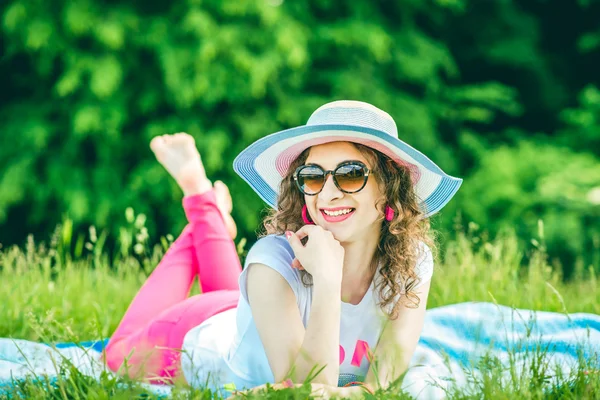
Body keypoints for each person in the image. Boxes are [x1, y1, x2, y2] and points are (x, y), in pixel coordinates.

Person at [103, 100, 462, 398]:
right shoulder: (272, 263)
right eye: (313, 176)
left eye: (351, 174)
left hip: (253, 316)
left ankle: (209, 216)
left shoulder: (412, 261)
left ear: (389, 187)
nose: (328, 193)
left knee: (240, 296)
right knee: (113, 359)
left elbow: (383, 383)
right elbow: (308, 392)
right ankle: (200, 203)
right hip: (188, 338)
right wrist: (325, 278)